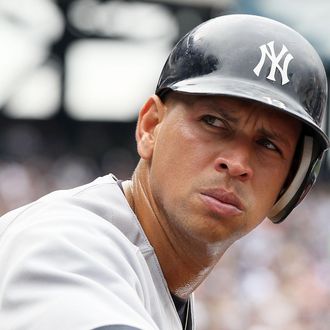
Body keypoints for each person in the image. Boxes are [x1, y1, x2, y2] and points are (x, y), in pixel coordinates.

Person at [0, 14, 328, 330]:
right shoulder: (65, 243)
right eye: (213, 122)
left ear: (290, 186)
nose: (238, 162)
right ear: (150, 127)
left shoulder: (160, 282)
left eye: (269, 145)